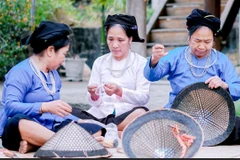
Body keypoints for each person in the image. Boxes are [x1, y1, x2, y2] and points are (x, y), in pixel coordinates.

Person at [0, 20, 106, 154]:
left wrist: (78, 120)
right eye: (63, 54)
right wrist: (44, 107)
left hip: (49, 128)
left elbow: (57, 114)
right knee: (18, 122)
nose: (64, 59)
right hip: (22, 129)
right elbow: (10, 107)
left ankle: (37, 145)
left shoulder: (53, 74)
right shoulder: (20, 72)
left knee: (96, 130)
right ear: (50, 50)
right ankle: (70, 143)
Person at [143, 8, 240, 145]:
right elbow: (151, 76)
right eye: (197, 40)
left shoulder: (221, 60)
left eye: (207, 42)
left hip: (213, 118)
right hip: (180, 115)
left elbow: (237, 89)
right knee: (161, 130)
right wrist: (154, 60)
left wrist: (225, 85)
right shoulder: (176, 56)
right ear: (189, 38)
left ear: (213, 41)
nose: (201, 46)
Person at [72, 14, 151, 137]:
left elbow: (143, 97)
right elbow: (94, 103)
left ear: (130, 39)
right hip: (100, 113)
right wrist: (94, 94)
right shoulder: (100, 62)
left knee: (142, 113)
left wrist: (120, 91)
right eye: (110, 39)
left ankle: (99, 130)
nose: (114, 45)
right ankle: (116, 132)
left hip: (126, 114)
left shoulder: (141, 63)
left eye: (120, 40)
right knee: (68, 112)